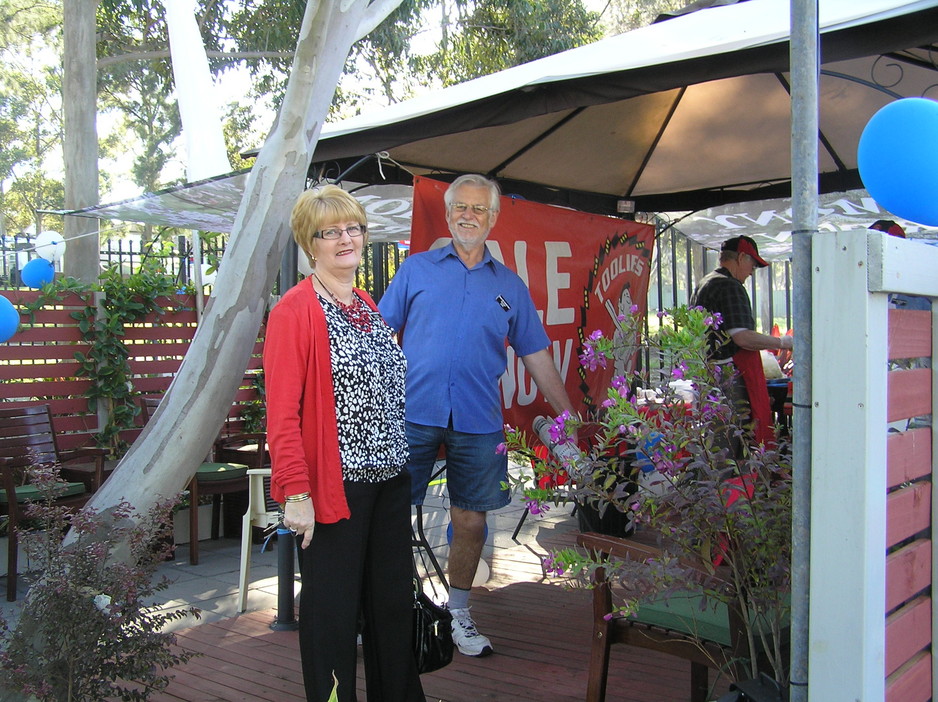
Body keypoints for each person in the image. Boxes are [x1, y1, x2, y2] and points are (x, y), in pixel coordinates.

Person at [378, 173, 577, 658]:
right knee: (389, 518)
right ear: (447, 215)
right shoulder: (415, 271)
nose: (468, 216)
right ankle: (386, 612)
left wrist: (569, 422)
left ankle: (458, 614)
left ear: (493, 218)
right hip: (411, 414)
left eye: (479, 209)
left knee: (471, 521)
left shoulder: (509, 286)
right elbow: (377, 341)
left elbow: (537, 357)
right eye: (460, 208)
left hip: (478, 419)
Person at [265, 185, 424, 702]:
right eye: (329, 232)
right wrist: (295, 492)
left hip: (388, 481)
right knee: (331, 616)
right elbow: (282, 414)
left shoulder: (364, 304)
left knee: (391, 610)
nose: (344, 239)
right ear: (309, 245)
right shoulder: (296, 310)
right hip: (337, 491)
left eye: (352, 228)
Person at [689, 235, 792, 447]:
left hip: (707, 376)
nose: (752, 271)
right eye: (752, 265)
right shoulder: (730, 286)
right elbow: (743, 337)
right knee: (732, 445)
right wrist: (783, 342)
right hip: (728, 379)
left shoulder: (705, 283)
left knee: (714, 443)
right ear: (741, 257)